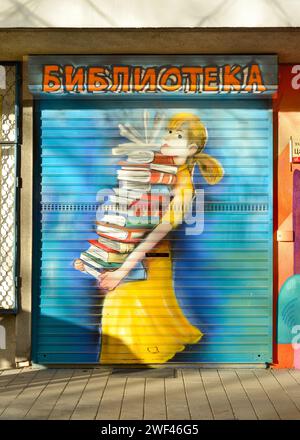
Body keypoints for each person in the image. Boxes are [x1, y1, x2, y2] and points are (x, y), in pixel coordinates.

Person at [74, 112, 224, 364]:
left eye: (176, 135)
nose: (166, 139)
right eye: (168, 132)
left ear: (191, 148)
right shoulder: (158, 169)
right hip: (136, 258)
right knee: (149, 313)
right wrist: (95, 262)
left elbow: (152, 236)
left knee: (121, 311)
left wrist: (120, 273)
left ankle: (132, 365)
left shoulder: (184, 189)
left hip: (148, 263)